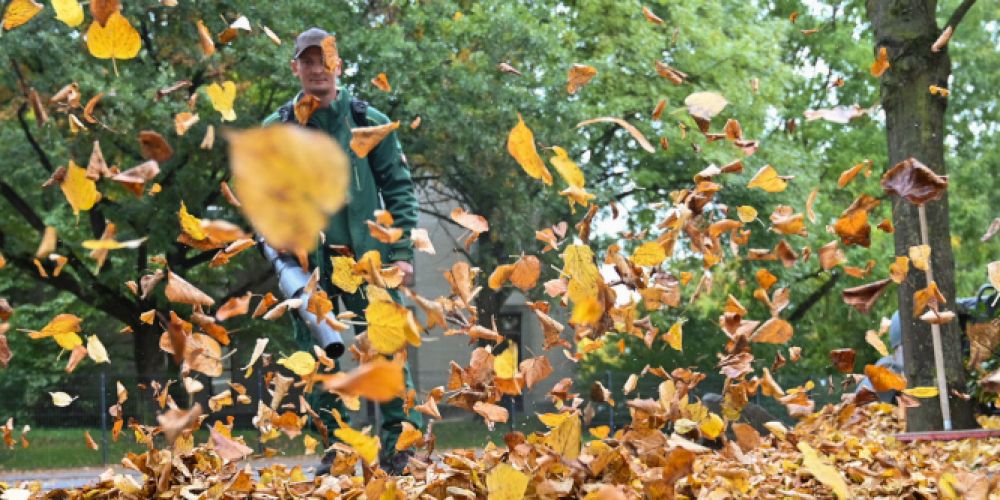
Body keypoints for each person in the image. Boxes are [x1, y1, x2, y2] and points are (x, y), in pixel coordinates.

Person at [261, 27, 423, 476]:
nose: (318, 69)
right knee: (317, 357)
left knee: (387, 349)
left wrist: (402, 252)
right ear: (295, 68)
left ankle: (400, 447)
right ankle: (337, 450)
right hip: (306, 267)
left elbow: (399, 189)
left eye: (325, 59)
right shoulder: (278, 128)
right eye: (308, 61)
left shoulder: (369, 120)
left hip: (368, 259)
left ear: (339, 65)